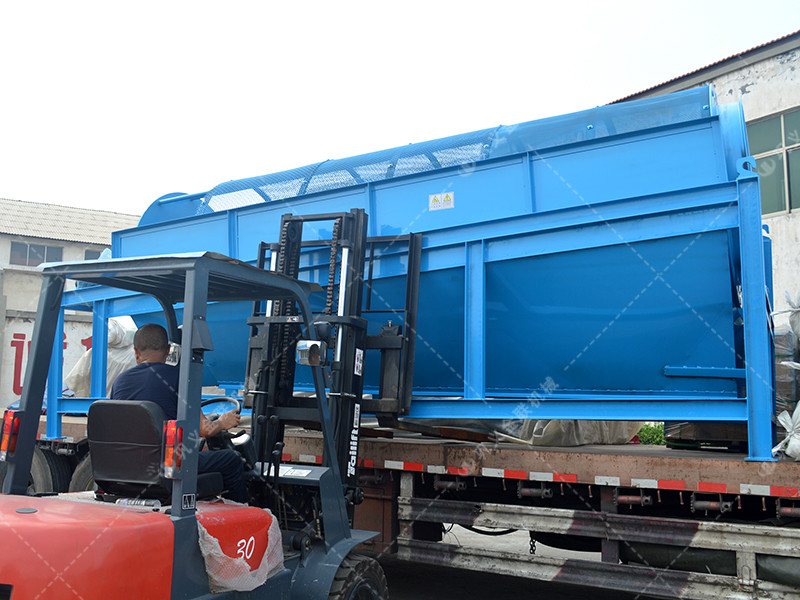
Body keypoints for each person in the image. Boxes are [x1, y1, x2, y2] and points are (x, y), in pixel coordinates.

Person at [110, 323, 248, 503]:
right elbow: (204, 429)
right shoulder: (180, 379)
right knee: (232, 459)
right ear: (168, 351)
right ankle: (239, 512)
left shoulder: (119, 382)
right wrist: (222, 422)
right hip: (167, 466)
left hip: (128, 467)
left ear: (136, 352)